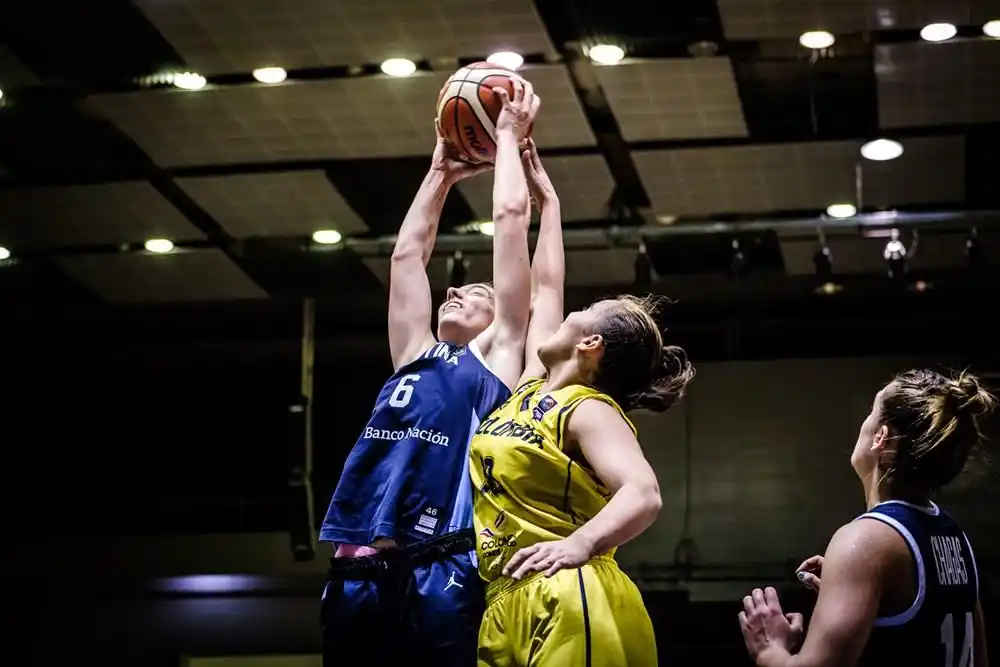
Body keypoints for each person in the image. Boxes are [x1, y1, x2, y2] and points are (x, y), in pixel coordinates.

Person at [319, 80, 540, 667]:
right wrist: (439, 174)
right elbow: (407, 257)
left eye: (477, 290)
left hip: (438, 562)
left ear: (502, 318)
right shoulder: (414, 351)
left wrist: (510, 139)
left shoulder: (496, 360)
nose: (455, 289)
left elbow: (511, 220)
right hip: (356, 563)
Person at [470, 141, 696, 666]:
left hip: (572, 590)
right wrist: (549, 206)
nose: (570, 310)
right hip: (506, 599)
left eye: (588, 309)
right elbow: (546, 285)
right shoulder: (530, 389)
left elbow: (643, 493)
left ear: (590, 344)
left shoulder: (587, 408)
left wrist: (581, 544)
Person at [739, 369, 994, 667]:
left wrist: (771, 648)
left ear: (880, 437)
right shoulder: (955, 537)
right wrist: (861, 594)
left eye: (871, 412)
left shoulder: (865, 542)